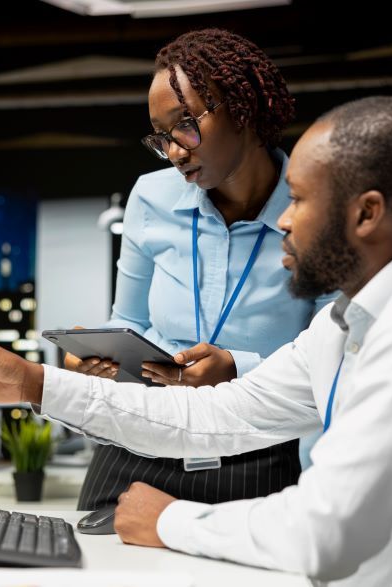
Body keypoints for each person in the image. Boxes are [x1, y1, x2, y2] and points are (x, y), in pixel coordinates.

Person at [0, 96, 392, 585]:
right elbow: (217, 415)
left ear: (366, 213)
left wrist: (168, 520)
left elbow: (328, 530)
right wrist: (30, 382)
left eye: (299, 200)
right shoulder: (350, 321)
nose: (284, 221)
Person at [65, 28, 332, 510]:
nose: (174, 152)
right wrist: (94, 354)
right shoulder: (151, 196)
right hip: (140, 435)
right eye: (161, 137)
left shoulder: (313, 209)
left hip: (256, 446)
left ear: (244, 109)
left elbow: (335, 360)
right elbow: (129, 320)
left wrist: (238, 368)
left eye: (186, 125)